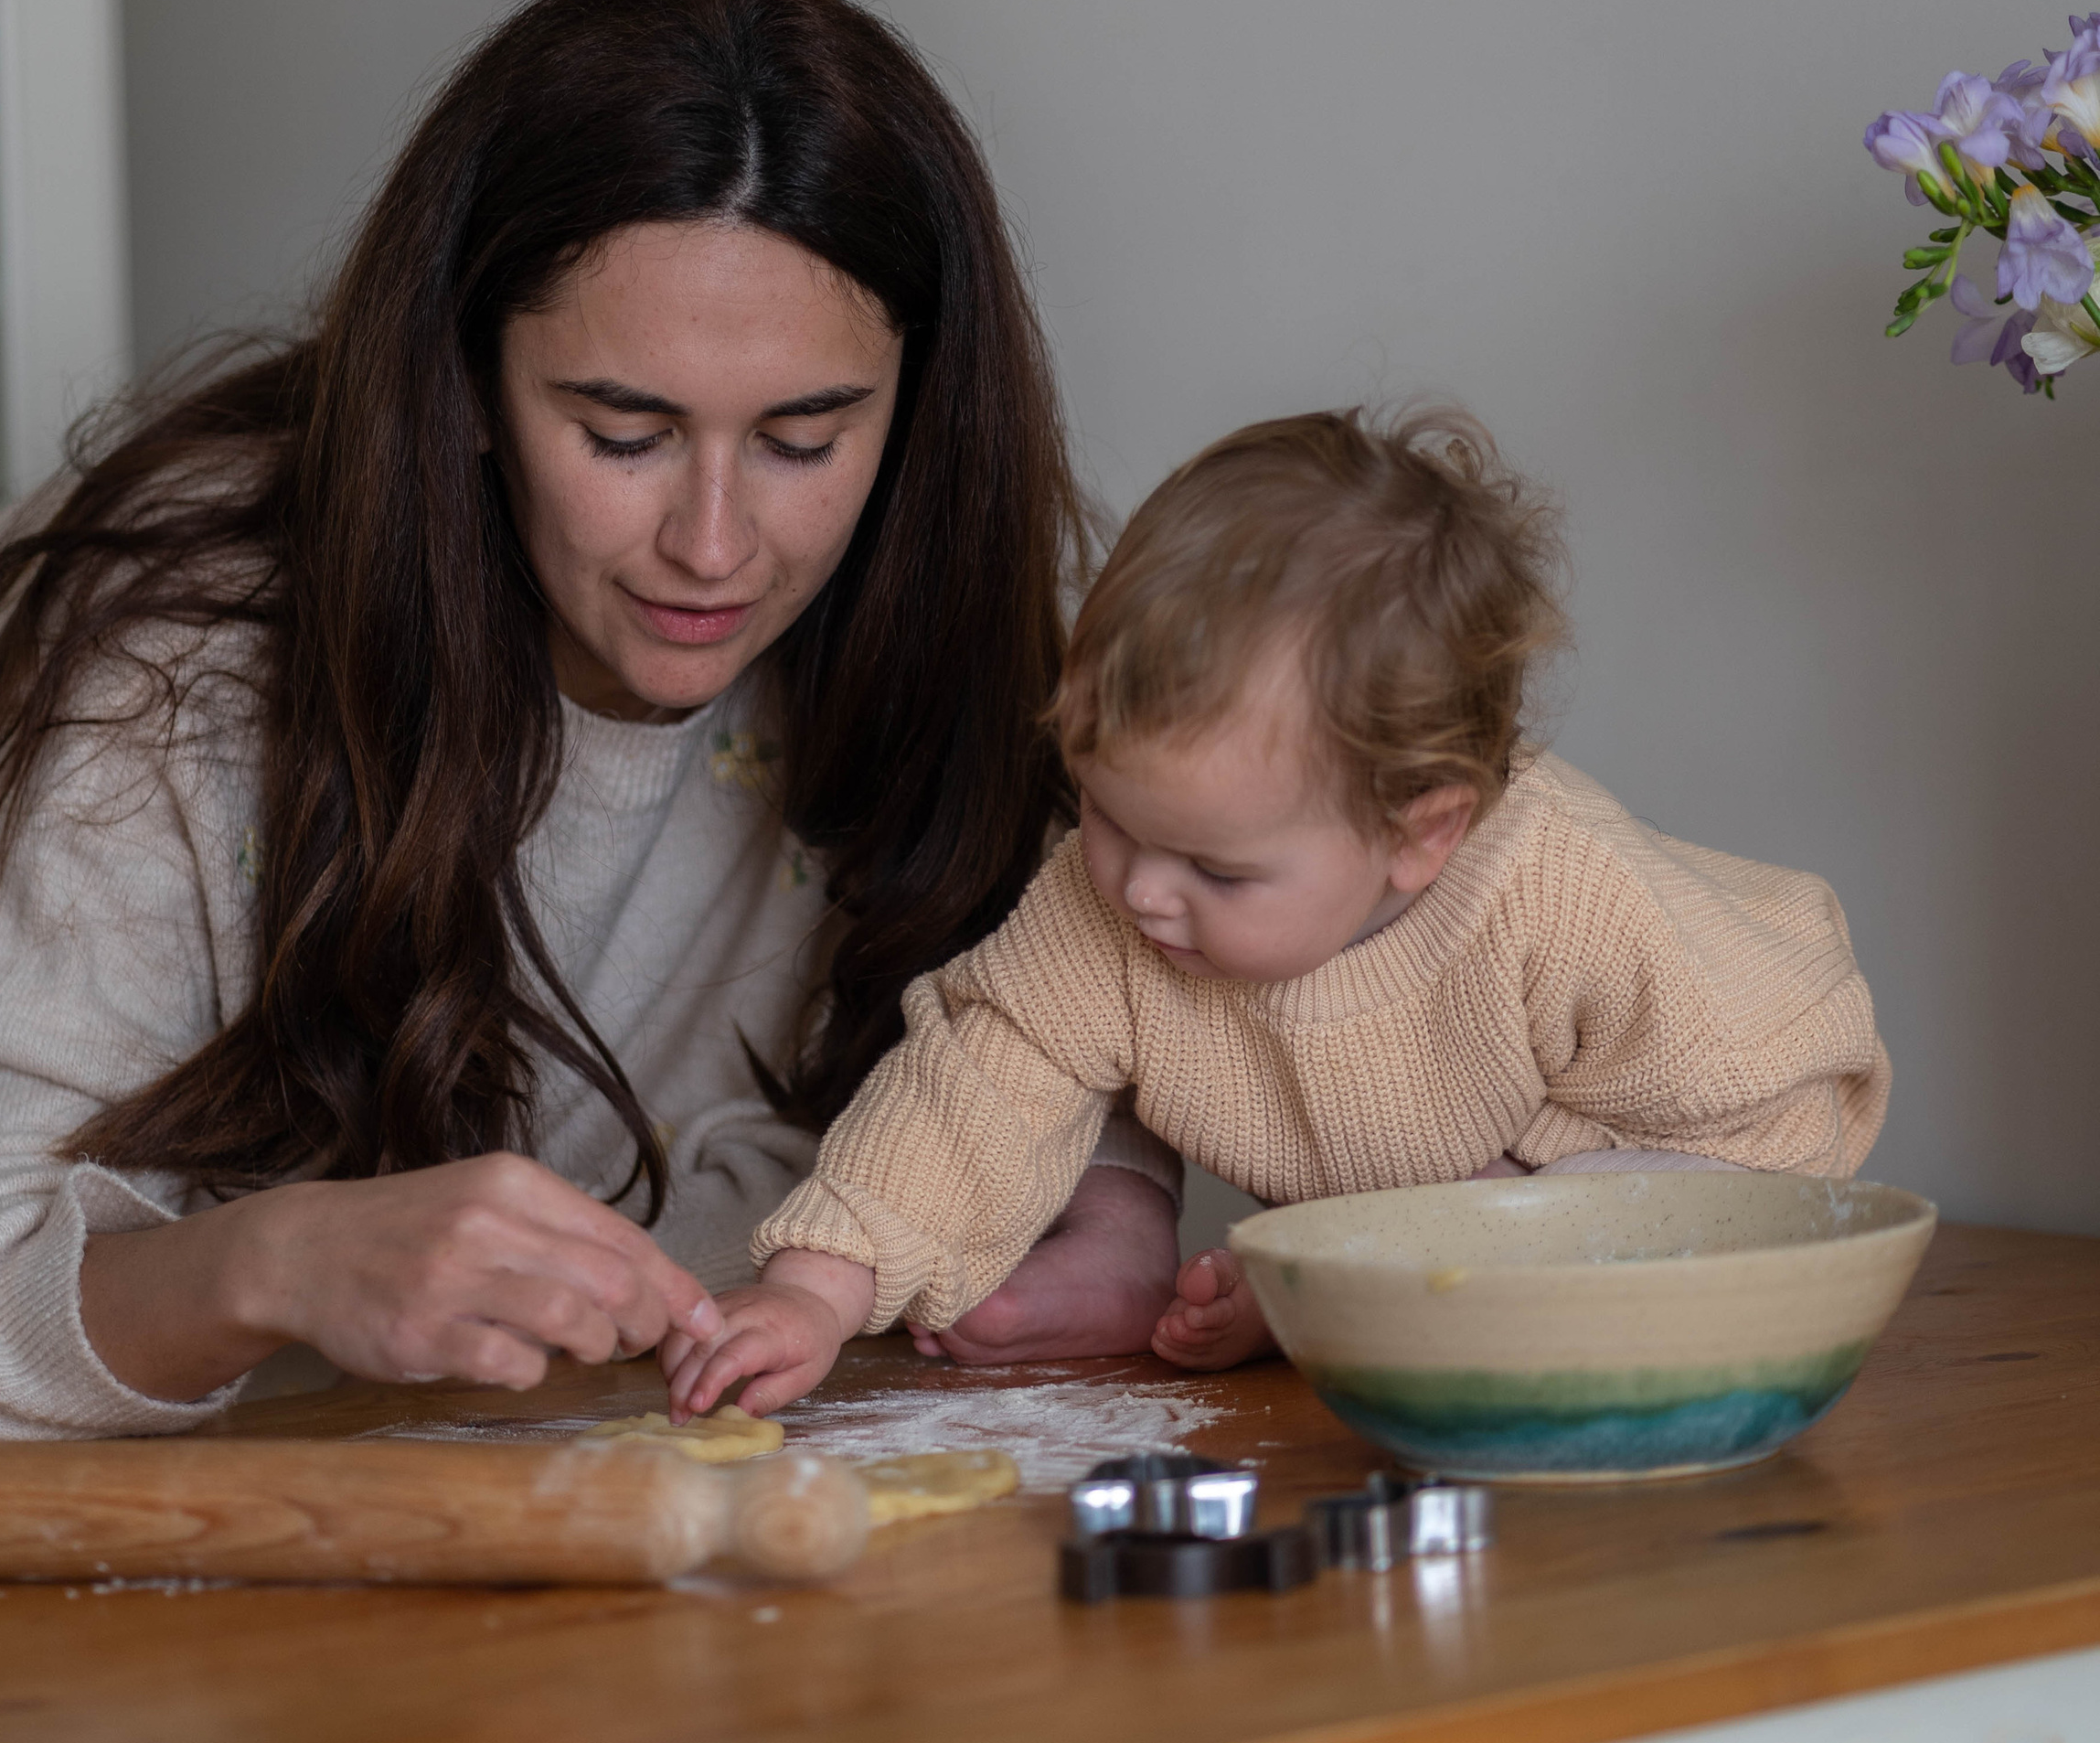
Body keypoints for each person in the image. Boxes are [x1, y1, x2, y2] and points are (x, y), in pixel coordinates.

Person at [0, 0, 1181, 1442]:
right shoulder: (184, 653)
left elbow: (1071, 999)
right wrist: (276, 1260)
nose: (714, 547)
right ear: (460, 381)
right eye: (623, 432)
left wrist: (1112, 1189)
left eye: (802, 439)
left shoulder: (946, 615)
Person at [666, 405, 1892, 1417]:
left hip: (1648, 1251)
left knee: (1668, 1207)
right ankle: (1327, 1288)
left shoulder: (1562, 897)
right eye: (1105, 815)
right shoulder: (1113, 910)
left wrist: (1477, 1211)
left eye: (1218, 870)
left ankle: (1341, 1282)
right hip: (1395, 1286)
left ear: (1423, 833)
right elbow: (976, 1085)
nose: (1140, 888)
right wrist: (817, 1289)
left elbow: (1781, 1108)